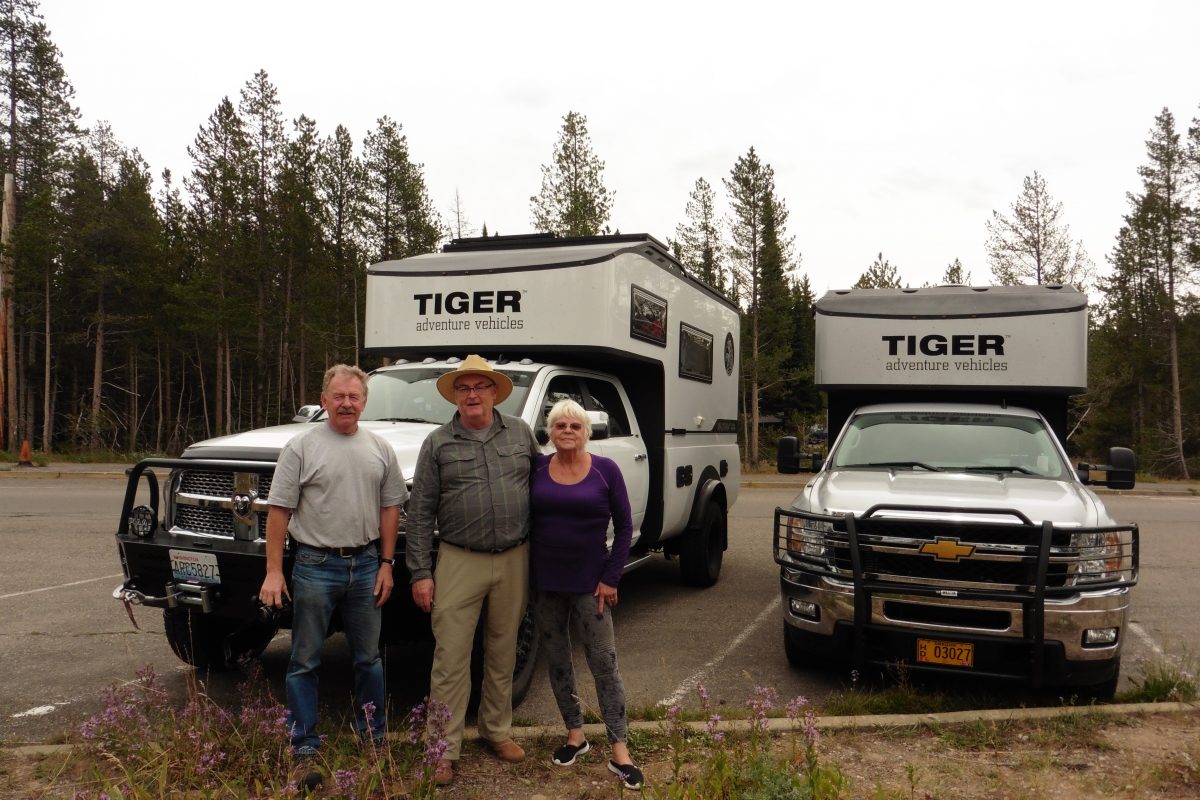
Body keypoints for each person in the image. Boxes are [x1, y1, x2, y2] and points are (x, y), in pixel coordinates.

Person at [405, 354, 541, 786]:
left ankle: (496, 731)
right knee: (450, 656)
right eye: (463, 388)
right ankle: (442, 749)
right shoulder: (438, 443)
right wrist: (420, 572)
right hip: (459, 558)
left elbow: (542, 488)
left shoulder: (520, 433)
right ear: (455, 396)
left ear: (495, 392)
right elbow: (421, 511)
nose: (472, 395)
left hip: (515, 558)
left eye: (480, 387)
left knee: (503, 649)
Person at [258, 364, 407, 758]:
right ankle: (303, 740)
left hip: (367, 567)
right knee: (305, 659)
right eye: (338, 396)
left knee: (368, 658)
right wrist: (274, 572)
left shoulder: (379, 448)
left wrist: (387, 563)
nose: (346, 403)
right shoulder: (302, 447)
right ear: (323, 401)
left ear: (364, 402)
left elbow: (390, 507)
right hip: (314, 565)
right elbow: (278, 512)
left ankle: (373, 736)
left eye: (353, 397)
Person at [531, 398, 642, 790]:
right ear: (549, 431)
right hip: (546, 584)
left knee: (604, 663)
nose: (566, 431)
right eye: (559, 425)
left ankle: (620, 749)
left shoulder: (606, 470)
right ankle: (575, 736)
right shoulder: (539, 468)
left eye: (574, 426)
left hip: (591, 585)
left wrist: (611, 578)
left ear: (586, 432)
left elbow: (626, 527)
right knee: (558, 662)